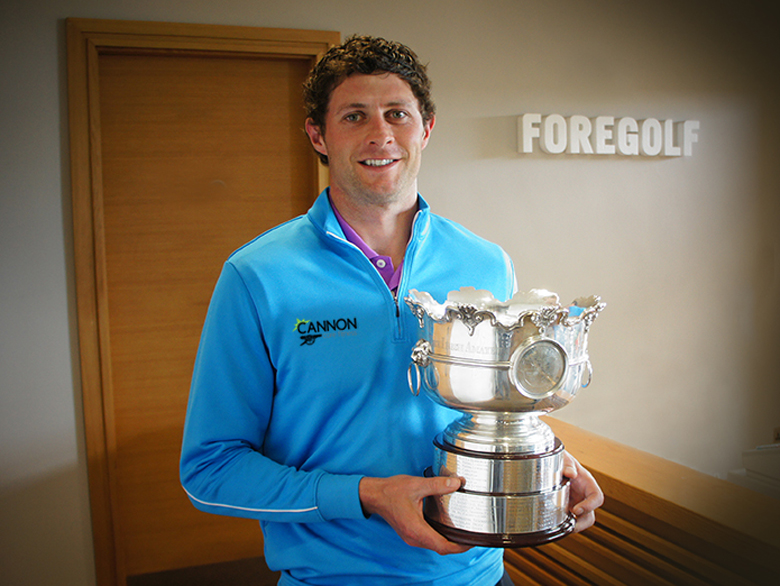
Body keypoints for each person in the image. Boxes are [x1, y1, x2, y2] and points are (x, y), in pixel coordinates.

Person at [180, 35, 603, 586]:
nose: (380, 134)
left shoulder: (487, 263)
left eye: (397, 114)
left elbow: (498, 412)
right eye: (354, 116)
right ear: (318, 135)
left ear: (425, 128)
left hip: (479, 576)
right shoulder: (258, 275)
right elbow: (210, 471)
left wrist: (549, 468)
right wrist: (367, 496)